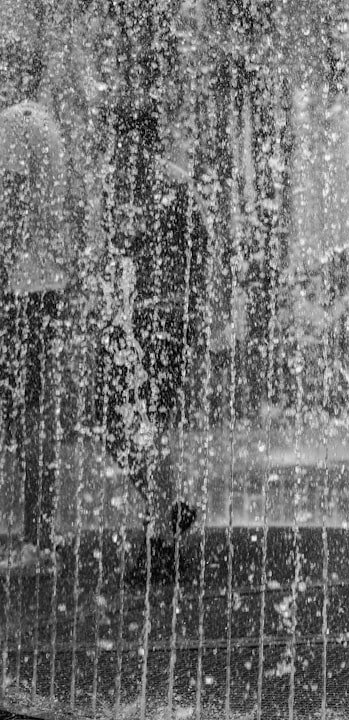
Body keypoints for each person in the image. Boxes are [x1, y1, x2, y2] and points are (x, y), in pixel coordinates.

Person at [96, 102, 207, 584]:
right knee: (108, 422)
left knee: (153, 426)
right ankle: (167, 505)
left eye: (129, 144)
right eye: (119, 146)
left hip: (166, 321)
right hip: (128, 322)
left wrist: (196, 316)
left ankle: (161, 539)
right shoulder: (116, 186)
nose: (123, 153)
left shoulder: (177, 185)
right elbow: (107, 254)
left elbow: (202, 250)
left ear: (148, 143)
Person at [0, 37, 69, 572]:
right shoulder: (47, 123)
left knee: (27, 414)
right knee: (34, 411)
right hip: (46, 283)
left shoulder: (14, 123)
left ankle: (35, 541)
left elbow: (16, 204)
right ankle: (37, 534)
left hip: (20, 285)